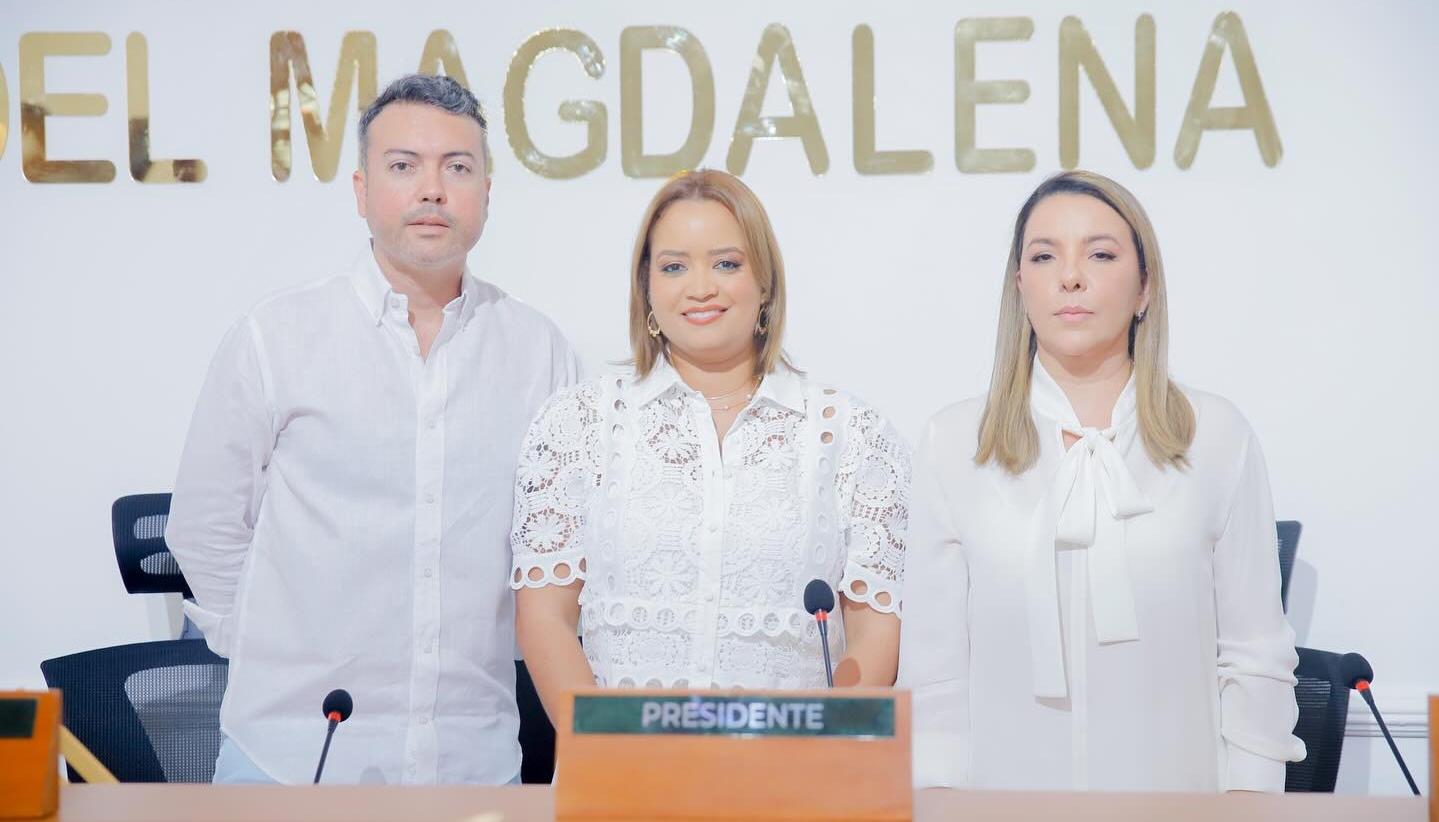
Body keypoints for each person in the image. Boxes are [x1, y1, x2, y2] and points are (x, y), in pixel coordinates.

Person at [165, 74, 578, 784]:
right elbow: (204, 525)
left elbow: (565, 542)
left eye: (457, 167)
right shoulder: (277, 337)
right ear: (361, 191)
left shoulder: (538, 351)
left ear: (486, 191)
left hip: (471, 764)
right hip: (289, 760)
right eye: (402, 166)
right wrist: (265, 646)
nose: (432, 189)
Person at [898, 170, 1305, 792]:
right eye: (1044, 256)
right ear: (1020, 286)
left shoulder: (1216, 434)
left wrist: (1252, 798)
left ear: (1144, 287)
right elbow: (934, 672)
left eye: (1100, 253)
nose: (1071, 276)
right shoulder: (954, 443)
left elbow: (1255, 653)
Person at [510, 170, 909, 719]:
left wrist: (821, 760)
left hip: (788, 788)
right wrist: (605, 749)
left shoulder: (850, 434)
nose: (701, 287)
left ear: (764, 282)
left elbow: (873, 632)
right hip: (620, 785)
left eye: (727, 263)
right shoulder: (579, 424)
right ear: (646, 289)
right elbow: (544, 618)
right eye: (674, 266)